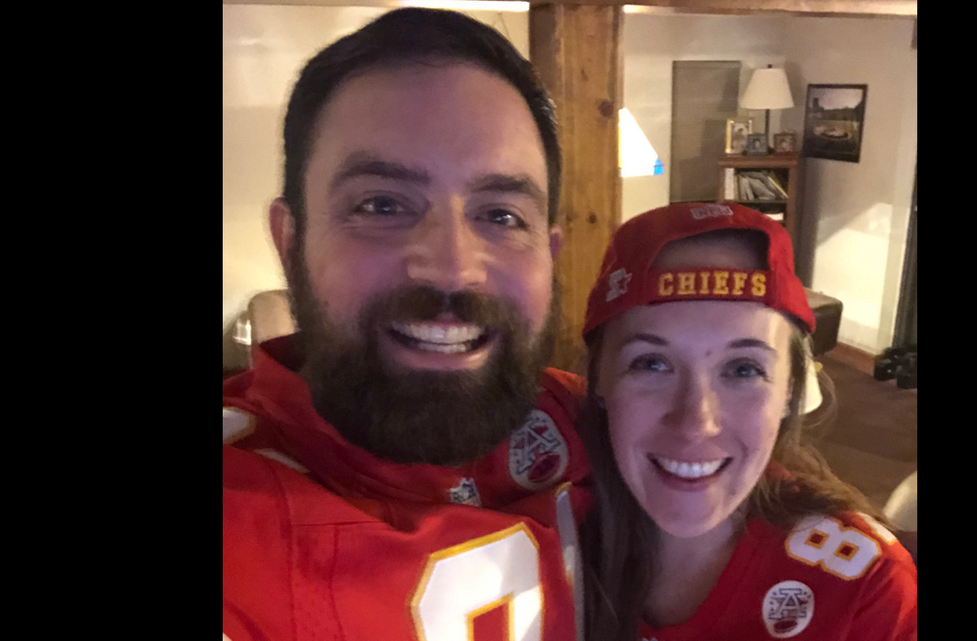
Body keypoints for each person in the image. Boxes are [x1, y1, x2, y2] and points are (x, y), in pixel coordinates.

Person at [222, 9, 591, 640]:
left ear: (548, 256)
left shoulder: (603, 424)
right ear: (291, 242)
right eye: (381, 205)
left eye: (501, 216)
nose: (452, 268)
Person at [577, 202, 917, 641]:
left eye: (742, 370)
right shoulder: (534, 534)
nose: (697, 422)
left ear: (790, 389)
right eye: (652, 364)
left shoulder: (866, 593)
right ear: (598, 379)